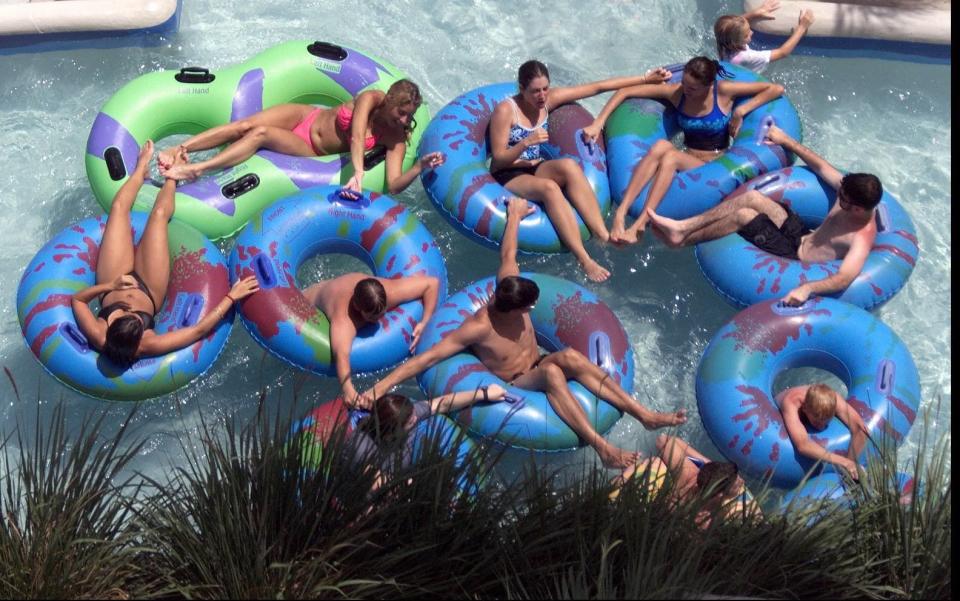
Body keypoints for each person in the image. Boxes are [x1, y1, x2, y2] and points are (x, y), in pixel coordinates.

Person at [359, 197, 687, 476]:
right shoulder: (478, 326)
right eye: (529, 306)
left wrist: (514, 215)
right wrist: (381, 387)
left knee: (570, 357)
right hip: (514, 382)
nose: (533, 308)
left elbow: (508, 255)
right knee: (552, 372)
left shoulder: (510, 288)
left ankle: (643, 414)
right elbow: (427, 359)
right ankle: (603, 448)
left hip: (538, 363)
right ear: (513, 308)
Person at [647, 124, 882, 306]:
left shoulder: (861, 237)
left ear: (858, 209)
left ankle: (682, 240)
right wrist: (785, 140)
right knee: (753, 198)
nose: (839, 195)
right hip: (800, 234)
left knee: (745, 216)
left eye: (843, 199)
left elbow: (844, 277)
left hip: (795, 258)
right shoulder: (849, 193)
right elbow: (820, 166)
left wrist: (807, 288)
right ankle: (683, 226)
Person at [71, 141, 259, 367]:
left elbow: (78, 300)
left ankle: (141, 170)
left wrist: (110, 287)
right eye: (134, 319)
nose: (128, 311)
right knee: (159, 215)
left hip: (114, 281)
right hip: (149, 288)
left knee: (118, 209)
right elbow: (198, 330)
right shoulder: (148, 343)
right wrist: (232, 297)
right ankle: (173, 176)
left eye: (121, 317)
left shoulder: (98, 333)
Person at [489, 60, 673, 282]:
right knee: (549, 188)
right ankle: (584, 259)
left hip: (534, 165)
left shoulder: (548, 101)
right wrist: (524, 143)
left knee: (569, 166)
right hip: (509, 172)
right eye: (535, 91)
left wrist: (645, 78)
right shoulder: (506, 111)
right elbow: (498, 160)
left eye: (545, 88)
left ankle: (604, 235)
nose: (542, 95)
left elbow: (596, 88)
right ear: (521, 89)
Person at [581, 56, 784, 245]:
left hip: (714, 165)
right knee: (662, 147)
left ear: (709, 86)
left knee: (670, 157)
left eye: (693, 88)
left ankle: (640, 223)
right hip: (687, 156)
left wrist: (741, 111)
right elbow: (626, 92)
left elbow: (775, 89)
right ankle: (621, 212)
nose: (686, 89)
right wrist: (598, 122)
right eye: (685, 84)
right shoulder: (678, 94)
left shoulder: (723, 91)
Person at [157, 79, 444, 195]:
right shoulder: (371, 98)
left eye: (409, 115)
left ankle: (196, 169)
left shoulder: (396, 136)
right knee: (243, 125)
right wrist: (358, 171)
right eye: (401, 113)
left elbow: (394, 185)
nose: (405, 120)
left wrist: (419, 167)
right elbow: (357, 136)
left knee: (259, 134)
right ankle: (181, 148)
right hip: (306, 115)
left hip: (310, 147)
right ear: (390, 100)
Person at [302, 273, 440, 404]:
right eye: (372, 317)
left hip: (353, 287)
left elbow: (431, 283)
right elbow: (341, 355)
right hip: (312, 297)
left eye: (382, 314)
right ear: (357, 308)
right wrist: (349, 390)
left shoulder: (386, 293)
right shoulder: (344, 320)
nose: (378, 320)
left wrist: (425, 321)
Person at [348, 384, 509, 489]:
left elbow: (441, 404)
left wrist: (484, 393)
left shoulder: (405, 416)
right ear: (390, 435)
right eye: (411, 422)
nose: (416, 419)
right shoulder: (361, 449)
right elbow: (379, 485)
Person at [619, 434, 759, 529]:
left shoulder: (688, 473)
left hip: (658, 510)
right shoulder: (705, 520)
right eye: (736, 482)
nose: (741, 481)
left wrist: (706, 464)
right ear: (719, 495)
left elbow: (663, 440)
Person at [777, 383, 868, 480]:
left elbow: (861, 429)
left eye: (827, 421)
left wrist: (850, 466)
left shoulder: (833, 399)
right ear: (805, 409)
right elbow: (803, 445)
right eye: (817, 422)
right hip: (779, 406)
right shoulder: (791, 402)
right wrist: (845, 462)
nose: (822, 426)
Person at [715, 0, 815, 73]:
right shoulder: (747, 57)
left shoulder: (723, 40)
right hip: (747, 78)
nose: (752, 33)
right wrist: (802, 26)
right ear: (735, 43)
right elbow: (782, 53)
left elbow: (732, 25)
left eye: (749, 28)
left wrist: (755, 13)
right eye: (746, 35)